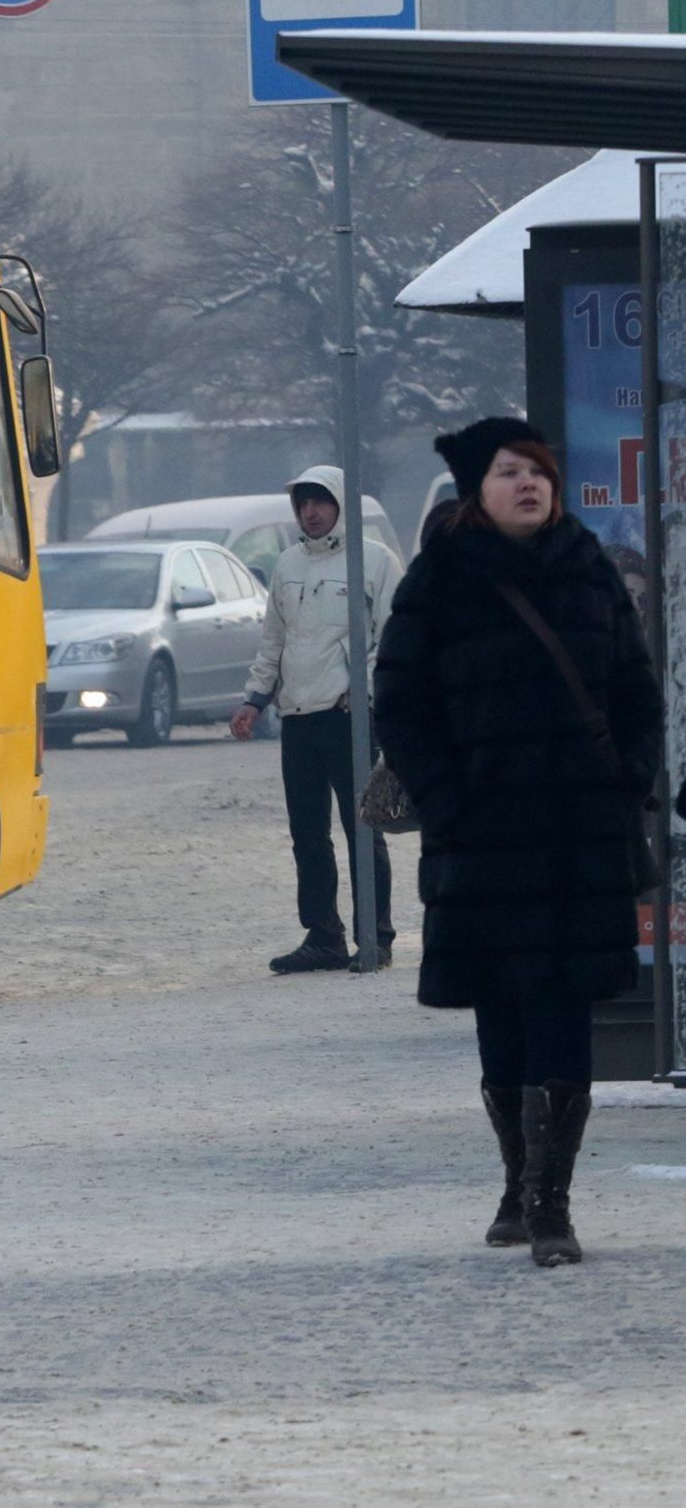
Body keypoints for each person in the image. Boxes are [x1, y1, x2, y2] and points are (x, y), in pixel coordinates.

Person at [375, 417, 658, 1267]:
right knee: (502, 1011)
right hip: (484, 836)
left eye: (538, 472)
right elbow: (402, 705)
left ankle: (551, 1206)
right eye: (509, 473)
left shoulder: (591, 572)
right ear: (476, 489)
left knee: (564, 1008)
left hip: (579, 834)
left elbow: (638, 694)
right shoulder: (438, 581)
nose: (529, 485)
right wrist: (448, 799)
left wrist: (626, 783)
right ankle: (515, 1180)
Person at [229, 466, 400, 973]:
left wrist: (363, 686)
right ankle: (323, 935)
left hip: (350, 717)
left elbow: (394, 634)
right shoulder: (287, 565)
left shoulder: (374, 561)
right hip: (298, 717)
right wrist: (254, 698)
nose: (311, 512)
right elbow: (274, 640)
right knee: (308, 832)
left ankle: (377, 938)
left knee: (363, 828)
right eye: (303, 503)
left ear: (341, 505)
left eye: (321, 501)